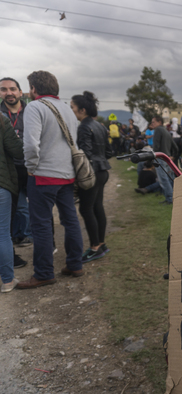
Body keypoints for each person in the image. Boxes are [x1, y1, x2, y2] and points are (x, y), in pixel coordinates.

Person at [17, 71, 85, 289]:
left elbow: (30, 144)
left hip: (44, 175)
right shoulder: (67, 108)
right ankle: (75, 264)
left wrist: (31, 167)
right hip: (67, 174)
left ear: (34, 89)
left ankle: (44, 273)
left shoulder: (35, 107)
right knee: (70, 220)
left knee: (41, 225)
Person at [70, 91, 112, 263]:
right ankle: (101, 244)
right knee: (97, 207)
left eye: (72, 107)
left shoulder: (84, 127)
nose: (71, 110)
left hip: (91, 173)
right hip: (103, 171)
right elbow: (109, 152)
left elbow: (85, 154)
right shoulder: (100, 126)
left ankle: (95, 247)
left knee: (86, 209)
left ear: (82, 110)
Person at [0, 77, 33, 252]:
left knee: (33, 205)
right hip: (9, 169)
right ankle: (15, 237)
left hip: (30, 166)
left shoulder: (31, 111)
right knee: (14, 207)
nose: (9, 93)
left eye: (12, 89)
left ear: (20, 92)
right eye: (4, 90)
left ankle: (30, 234)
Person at [0, 113, 24, 292]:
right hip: (1, 183)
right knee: (2, 234)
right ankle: (7, 281)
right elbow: (17, 150)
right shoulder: (1, 119)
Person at [151, 115, 177, 204]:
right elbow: (176, 147)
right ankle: (175, 197)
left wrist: (154, 156)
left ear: (159, 122)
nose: (152, 124)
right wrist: (173, 156)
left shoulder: (158, 130)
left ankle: (170, 199)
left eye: (153, 122)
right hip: (168, 158)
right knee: (170, 179)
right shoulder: (166, 131)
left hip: (160, 158)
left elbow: (156, 146)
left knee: (163, 180)